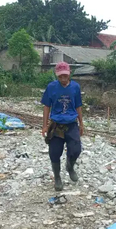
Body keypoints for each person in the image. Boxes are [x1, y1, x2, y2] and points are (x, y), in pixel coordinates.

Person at [41, 62, 84, 191]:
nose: (63, 79)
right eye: (60, 77)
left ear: (69, 74)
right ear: (57, 75)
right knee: (54, 153)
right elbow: (46, 106)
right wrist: (44, 125)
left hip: (71, 124)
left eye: (65, 76)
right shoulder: (51, 87)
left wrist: (81, 123)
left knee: (76, 149)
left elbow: (78, 106)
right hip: (56, 125)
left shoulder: (75, 87)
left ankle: (70, 166)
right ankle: (57, 177)